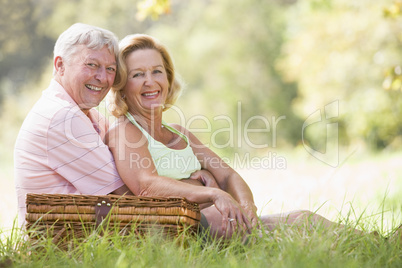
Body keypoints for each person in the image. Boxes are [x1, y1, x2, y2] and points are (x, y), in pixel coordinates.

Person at [106, 33, 361, 239]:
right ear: (122, 87)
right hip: (183, 229)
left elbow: (227, 174)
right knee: (284, 235)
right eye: (137, 74)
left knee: (304, 218)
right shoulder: (124, 131)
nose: (150, 82)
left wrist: (247, 207)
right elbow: (147, 186)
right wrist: (213, 194)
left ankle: (375, 241)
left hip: (217, 219)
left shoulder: (180, 134)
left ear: (169, 78)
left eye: (157, 71)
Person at [14, 23, 131, 226]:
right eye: (92, 65)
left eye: (110, 69)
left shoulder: (86, 114)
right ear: (60, 65)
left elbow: (133, 165)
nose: (102, 78)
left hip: (85, 239)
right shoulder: (62, 116)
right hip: (67, 248)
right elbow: (127, 196)